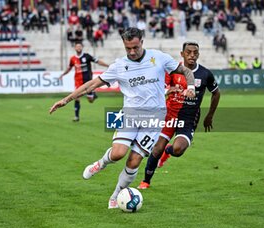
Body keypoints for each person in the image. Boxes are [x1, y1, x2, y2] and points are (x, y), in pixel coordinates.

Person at [49, 28, 196, 209]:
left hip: (154, 119)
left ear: (142, 41)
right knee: (118, 153)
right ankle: (100, 164)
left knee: (134, 160)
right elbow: (92, 85)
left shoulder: (159, 57)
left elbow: (186, 71)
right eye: (128, 49)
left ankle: (116, 194)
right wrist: (66, 99)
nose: (132, 52)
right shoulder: (119, 66)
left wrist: (191, 87)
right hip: (130, 115)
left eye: (135, 47)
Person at [137, 42, 220, 189]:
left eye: (195, 53)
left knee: (178, 150)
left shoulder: (205, 74)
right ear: (182, 54)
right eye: (188, 52)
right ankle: (146, 181)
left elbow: (216, 93)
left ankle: (168, 151)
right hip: (169, 116)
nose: (192, 55)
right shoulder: (173, 71)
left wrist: (210, 116)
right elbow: (160, 88)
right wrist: (168, 90)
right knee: (156, 148)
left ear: (198, 55)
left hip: (189, 119)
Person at [59, 41, 109, 122]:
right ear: (75, 48)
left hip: (88, 82)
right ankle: (76, 117)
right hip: (78, 81)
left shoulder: (87, 56)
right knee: (76, 97)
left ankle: (93, 95)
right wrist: (62, 75)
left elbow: (98, 61)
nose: (78, 48)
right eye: (77, 46)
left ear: (82, 47)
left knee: (90, 101)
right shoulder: (72, 59)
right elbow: (69, 68)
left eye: (80, 46)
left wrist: (108, 65)